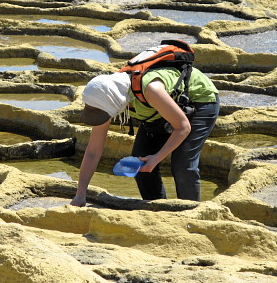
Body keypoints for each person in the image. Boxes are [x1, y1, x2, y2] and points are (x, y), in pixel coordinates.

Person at [70, 65, 219, 207]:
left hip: (199, 100)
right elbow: (93, 151)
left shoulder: (150, 89)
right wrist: (80, 194)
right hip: (159, 108)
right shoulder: (104, 100)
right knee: (140, 162)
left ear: (113, 102)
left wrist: (157, 157)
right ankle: (159, 212)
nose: (103, 117)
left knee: (182, 164)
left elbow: (183, 127)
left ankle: (191, 214)